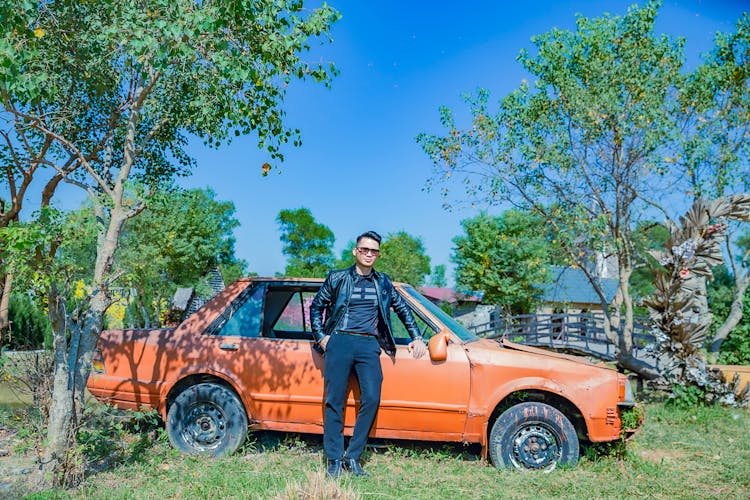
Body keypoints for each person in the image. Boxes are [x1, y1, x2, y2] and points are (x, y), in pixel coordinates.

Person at [310, 230, 427, 479]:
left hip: (368, 345)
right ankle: (333, 459)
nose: (369, 254)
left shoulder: (383, 282)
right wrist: (322, 337)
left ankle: (352, 457)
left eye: (374, 251)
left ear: (378, 254)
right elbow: (316, 306)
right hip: (339, 340)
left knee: (372, 398)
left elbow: (403, 309)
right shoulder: (338, 277)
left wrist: (417, 337)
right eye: (364, 249)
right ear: (355, 251)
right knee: (334, 401)